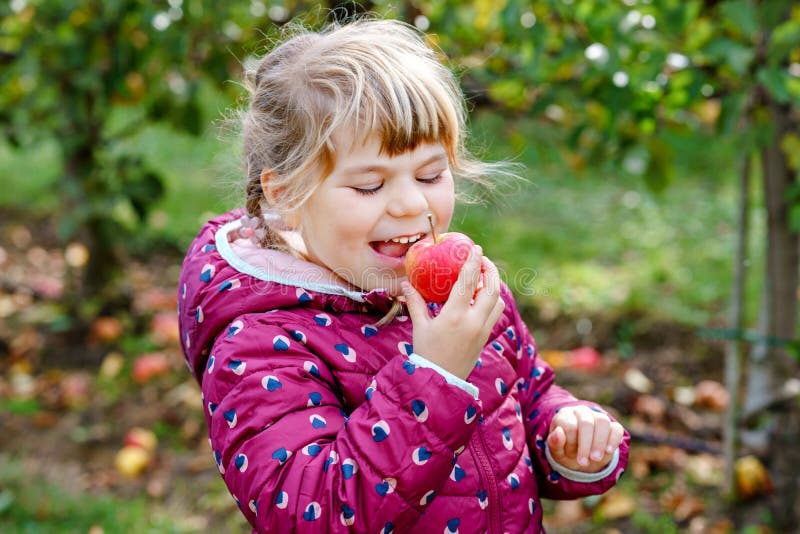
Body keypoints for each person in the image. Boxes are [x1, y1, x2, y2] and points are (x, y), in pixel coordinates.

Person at [178, 17, 629, 533]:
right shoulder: (261, 342)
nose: (413, 203)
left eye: (431, 174)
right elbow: (315, 513)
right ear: (286, 197)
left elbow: (526, 398)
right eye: (370, 185)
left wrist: (564, 438)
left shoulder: (462, 289)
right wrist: (434, 375)